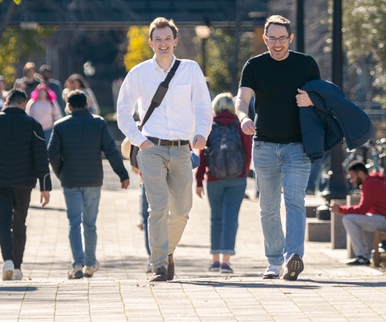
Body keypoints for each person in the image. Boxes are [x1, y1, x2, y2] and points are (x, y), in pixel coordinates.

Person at [116, 17, 212, 282]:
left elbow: (203, 106)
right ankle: (158, 264)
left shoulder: (190, 70)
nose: (163, 44)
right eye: (158, 39)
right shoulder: (139, 73)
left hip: (182, 149)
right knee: (157, 208)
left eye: (167, 39)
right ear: (150, 43)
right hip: (152, 148)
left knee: (182, 211)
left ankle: (166, 250)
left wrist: (202, 132)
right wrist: (139, 140)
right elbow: (122, 110)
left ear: (175, 41)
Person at [235, 14, 320, 280]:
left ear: (290, 38)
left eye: (282, 38)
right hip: (264, 146)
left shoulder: (306, 64)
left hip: (298, 146)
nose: (277, 43)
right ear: (264, 39)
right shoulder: (254, 66)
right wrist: (244, 117)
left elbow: (322, 97)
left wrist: (312, 100)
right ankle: (273, 261)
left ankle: (292, 257)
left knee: (294, 201)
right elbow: (242, 99)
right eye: (272, 38)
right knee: (268, 207)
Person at [48, 90, 130, 279]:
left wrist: (61, 172)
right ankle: (91, 263)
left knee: (74, 222)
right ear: (86, 105)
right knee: (90, 223)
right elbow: (110, 151)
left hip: (70, 180)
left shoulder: (60, 126)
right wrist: (122, 174)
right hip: (93, 179)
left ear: (68, 107)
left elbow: (51, 153)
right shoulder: (98, 123)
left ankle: (77, 263)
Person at [0, 88, 52, 280]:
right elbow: (41, 157)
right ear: (23, 104)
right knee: (20, 222)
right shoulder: (32, 125)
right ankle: (17, 266)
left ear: (6, 102)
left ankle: (7, 262)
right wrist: (45, 187)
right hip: (23, 182)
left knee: (3, 222)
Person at [195, 93, 253, 274]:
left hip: (214, 179)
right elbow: (248, 152)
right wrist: (243, 173)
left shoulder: (210, 127)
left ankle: (215, 261)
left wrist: (199, 180)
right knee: (231, 218)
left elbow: (202, 155)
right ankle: (226, 263)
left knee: (216, 218)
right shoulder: (239, 126)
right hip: (237, 179)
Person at [332, 162, 386, 266]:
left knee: (348, 219)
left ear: (360, 173)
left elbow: (362, 210)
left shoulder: (371, 183)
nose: (351, 180)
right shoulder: (372, 182)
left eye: (352, 176)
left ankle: (362, 257)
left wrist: (340, 209)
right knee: (350, 218)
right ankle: (362, 256)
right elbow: (365, 208)